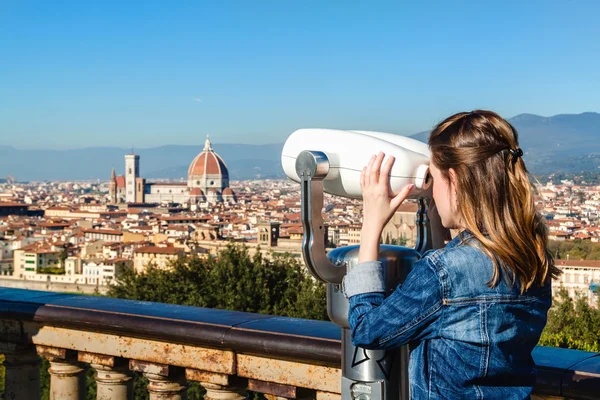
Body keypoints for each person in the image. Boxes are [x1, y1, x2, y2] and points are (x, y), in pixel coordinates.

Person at [342, 110, 560, 399]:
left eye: (435, 178)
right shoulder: (532, 256)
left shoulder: (443, 272)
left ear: (454, 179)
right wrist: (436, 224)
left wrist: (371, 226)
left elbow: (368, 331)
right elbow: (457, 313)